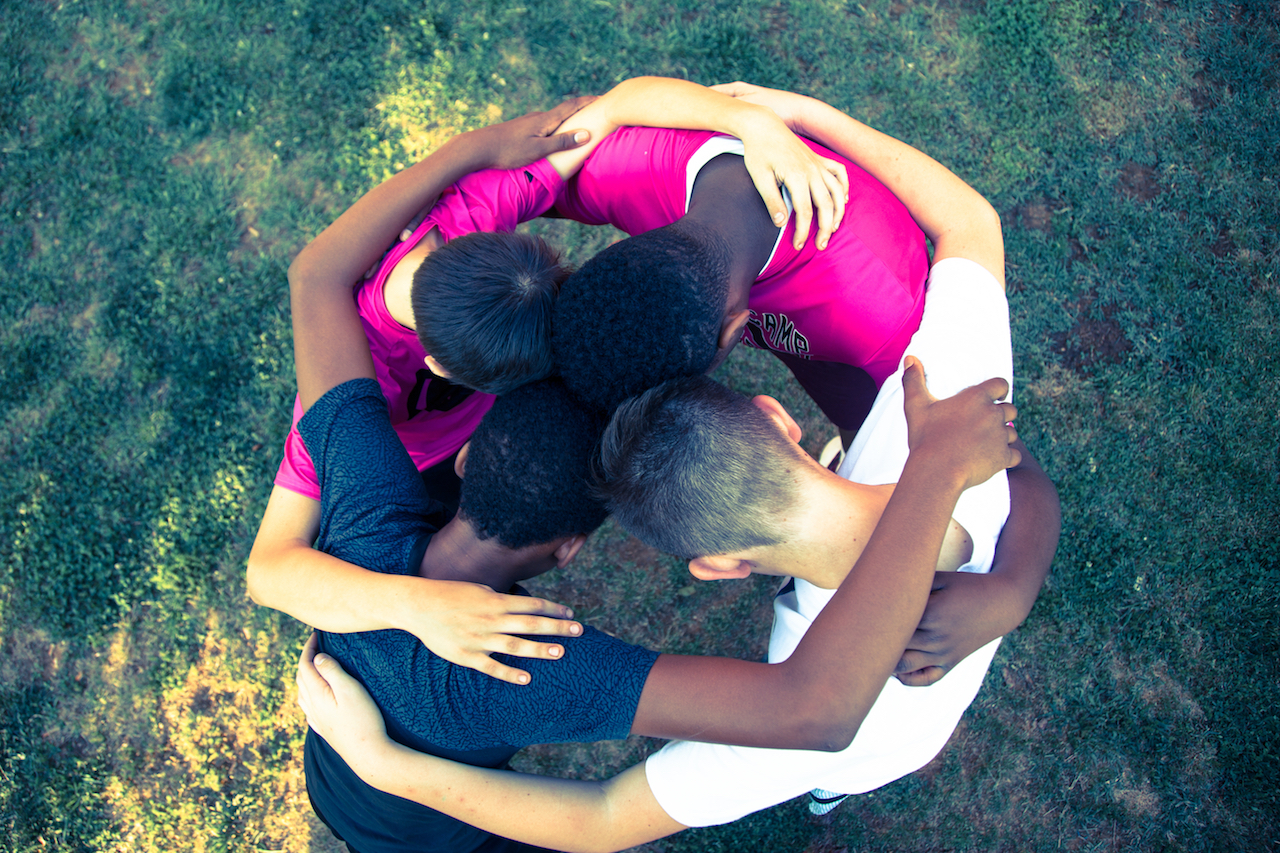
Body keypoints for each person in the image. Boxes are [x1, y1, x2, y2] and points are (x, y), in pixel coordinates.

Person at [292, 85, 1061, 853]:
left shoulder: (366, 516)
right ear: (775, 416)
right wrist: (388, 767)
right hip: (429, 830)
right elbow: (813, 710)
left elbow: (315, 280)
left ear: (467, 459)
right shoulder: (525, 661)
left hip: (341, 756)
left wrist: (374, 760)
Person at [247, 78, 849, 686]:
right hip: (410, 468)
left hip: (485, 448)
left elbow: (614, 109)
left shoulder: (479, 222)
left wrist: (751, 124)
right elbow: (269, 569)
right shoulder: (347, 386)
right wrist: (419, 607)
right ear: (442, 371)